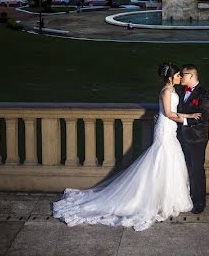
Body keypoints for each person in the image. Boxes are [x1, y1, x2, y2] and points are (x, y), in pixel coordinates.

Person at [52, 63, 198, 231]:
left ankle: (167, 199)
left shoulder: (172, 91)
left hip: (169, 129)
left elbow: (166, 111)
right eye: (178, 75)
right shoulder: (166, 91)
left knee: (169, 162)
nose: (180, 77)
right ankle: (156, 200)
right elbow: (169, 113)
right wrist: (189, 117)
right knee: (161, 161)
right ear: (170, 78)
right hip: (165, 130)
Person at [176, 64, 209, 214]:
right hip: (181, 136)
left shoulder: (204, 94)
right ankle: (186, 196)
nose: (180, 77)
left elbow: (203, 117)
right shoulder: (180, 91)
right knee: (185, 167)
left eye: (182, 74)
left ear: (191, 76)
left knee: (197, 169)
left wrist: (182, 121)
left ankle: (199, 202)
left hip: (197, 138)